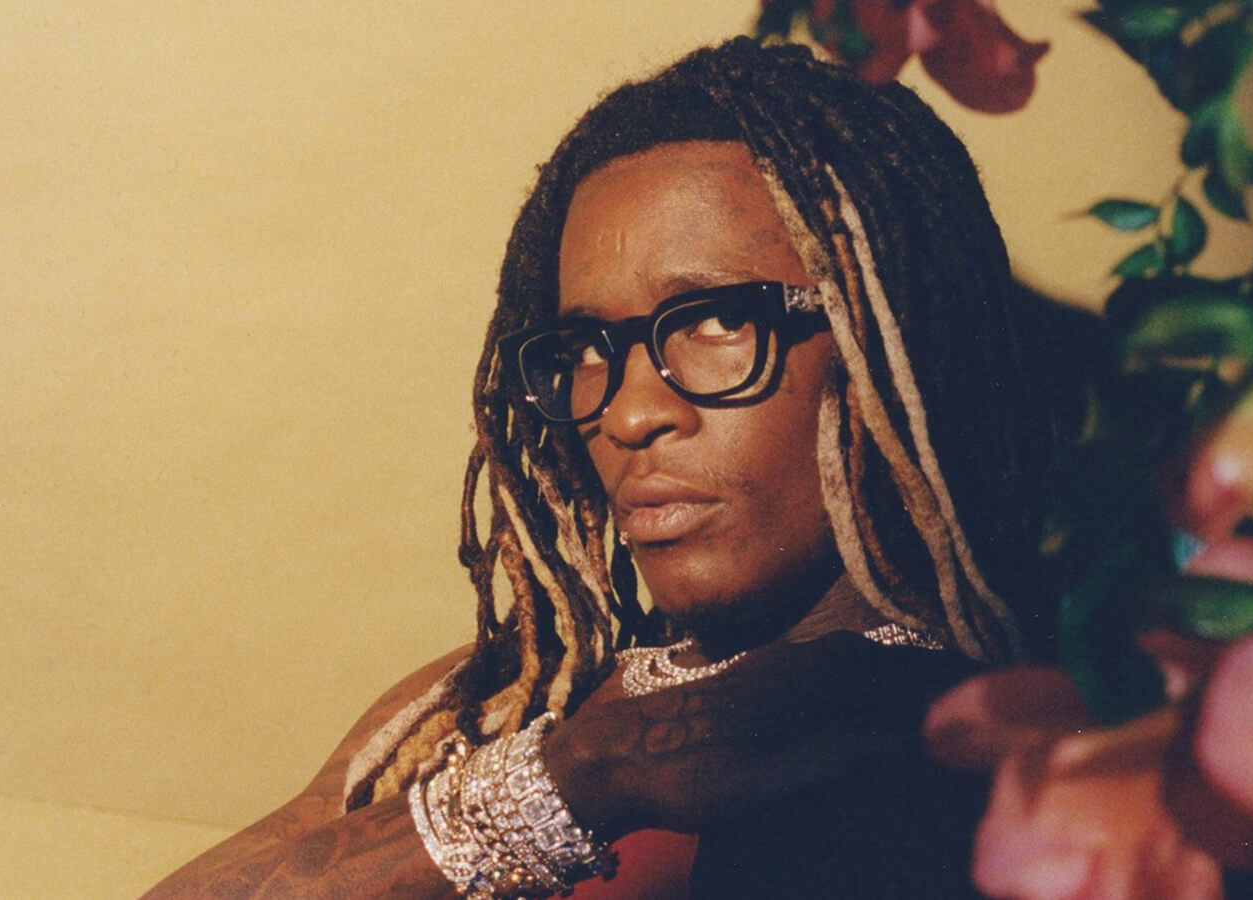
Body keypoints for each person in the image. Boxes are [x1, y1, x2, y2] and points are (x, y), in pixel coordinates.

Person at [142, 37, 1084, 900]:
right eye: (588, 347)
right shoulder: (498, 701)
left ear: (891, 337)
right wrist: (592, 771)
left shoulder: (1017, 753)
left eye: (717, 320)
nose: (629, 414)